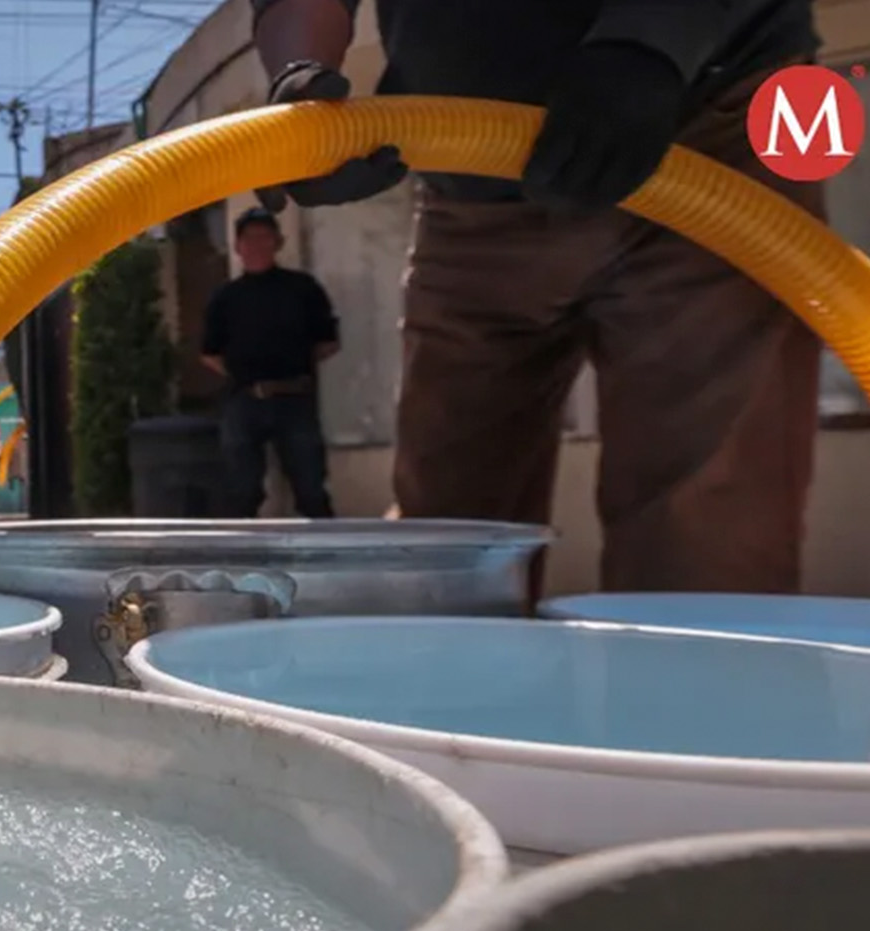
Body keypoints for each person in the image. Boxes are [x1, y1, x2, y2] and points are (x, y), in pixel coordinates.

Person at [249, 0, 822, 595]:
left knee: (704, 540)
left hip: (705, 127)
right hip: (470, 175)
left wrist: (650, 44)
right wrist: (302, 79)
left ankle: (691, 654)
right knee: (448, 541)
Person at [199, 206, 340, 518]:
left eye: (265, 237)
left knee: (311, 489)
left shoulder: (303, 288)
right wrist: (244, 376)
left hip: (295, 399)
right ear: (238, 246)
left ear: (278, 242)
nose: (257, 245)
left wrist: (292, 368)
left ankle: (325, 547)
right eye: (249, 238)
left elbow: (329, 342)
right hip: (244, 402)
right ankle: (241, 548)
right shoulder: (225, 297)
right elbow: (209, 353)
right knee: (242, 491)